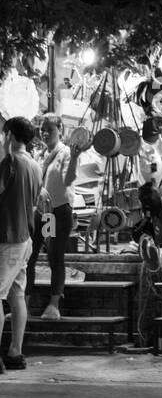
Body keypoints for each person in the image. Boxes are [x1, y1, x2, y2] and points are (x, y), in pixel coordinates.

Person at [25, 115, 81, 321]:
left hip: (58, 211)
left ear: (60, 129)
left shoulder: (66, 152)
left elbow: (68, 180)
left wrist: (74, 158)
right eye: (42, 129)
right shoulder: (39, 155)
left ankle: (54, 304)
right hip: (41, 213)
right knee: (29, 257)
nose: (45, 133)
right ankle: (25, 304)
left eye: (49, 128)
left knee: (54, 257)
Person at [0, 117, 42, 373]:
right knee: (16, 295)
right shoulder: (36, 166)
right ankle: (15, 352)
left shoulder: (10, 162)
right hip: (25, 238)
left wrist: (4, 154)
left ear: (10, 136)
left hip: (7, 237)